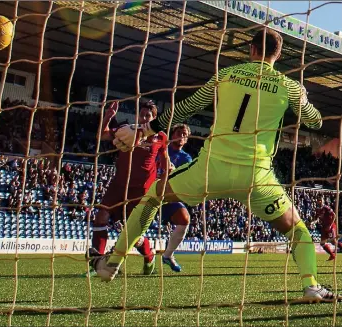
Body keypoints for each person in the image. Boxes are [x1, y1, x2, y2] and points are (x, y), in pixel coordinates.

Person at [94, 28, 340, 302]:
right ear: (278, 54)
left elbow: (187, 107)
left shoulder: (226, 75)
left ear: (251, 50)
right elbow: (315, 122)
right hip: (256, 178)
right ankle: (310, 285)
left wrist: (146, 129)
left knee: (153, 198)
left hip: (210, 169)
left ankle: (112, 262)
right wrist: (304, 99)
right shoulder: (289, 86)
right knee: (298, 229)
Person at [88, 100, 165, 276]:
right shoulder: (127, 129)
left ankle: (149, 256)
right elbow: (103, 135)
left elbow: (165, 159)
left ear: (154, 118)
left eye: (148, 116)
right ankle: (97, 262)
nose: (144, 118)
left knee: (132, 233)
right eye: (142, 114)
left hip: (141, 190)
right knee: (101, 216)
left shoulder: (160, 137)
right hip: (119, 184)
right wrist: (108, 116)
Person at [154, 123, 193, 271]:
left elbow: (185, 178)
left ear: (187, 139)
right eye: (179, 133)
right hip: (151, 191)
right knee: (135, 225)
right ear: (172, 135)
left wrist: (174, 171)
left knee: (184, 219)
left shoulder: (186, 158)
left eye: (184, 134)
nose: (181, 136)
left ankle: (168, 255)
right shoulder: (161, 148)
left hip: (168, 195)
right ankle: (116, 256)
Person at [315, 197, 341, 261]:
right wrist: (312, 222)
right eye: (318, 200)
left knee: (333, 242)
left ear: (323, 201)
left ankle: (333, 254)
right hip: (324, 227)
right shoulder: (317, 209)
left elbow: (334, 215)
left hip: (330, 227)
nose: (319, 201)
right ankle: (332, 255)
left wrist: (330, 225)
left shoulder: (326, 208)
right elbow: (317, 219)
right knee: (322, 243)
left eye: (320, 200)